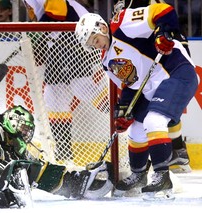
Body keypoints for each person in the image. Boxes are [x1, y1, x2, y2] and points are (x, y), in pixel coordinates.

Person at [75, 3, 198, 200]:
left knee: (153, 121)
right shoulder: (107, 60)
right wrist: (125, 109)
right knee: (136, 130)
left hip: (176, 71)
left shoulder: (121, 23)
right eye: (92, 45)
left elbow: (163, 10)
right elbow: (131, 85)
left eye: (95, 40)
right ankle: (139, 174)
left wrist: (163, 34)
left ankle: (162, 176)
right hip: (151, 87)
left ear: (103, 28)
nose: (96, 46)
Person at [22, 0, 108, 161]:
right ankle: (63, 153)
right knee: (54, 97)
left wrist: (39, 36)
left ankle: (123, 114)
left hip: (75, 34)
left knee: (82, 87)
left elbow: (59, 12)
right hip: (59, 40)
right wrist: (42, 40)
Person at [112, 1, 192, 173]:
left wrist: (165, 34)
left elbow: (165, 17)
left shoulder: (137, 11)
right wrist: (126, 105)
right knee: (146, 117)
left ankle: (176, 150)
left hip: (168, 52)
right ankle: (174, 152)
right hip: (150, 63)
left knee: (161, 110)